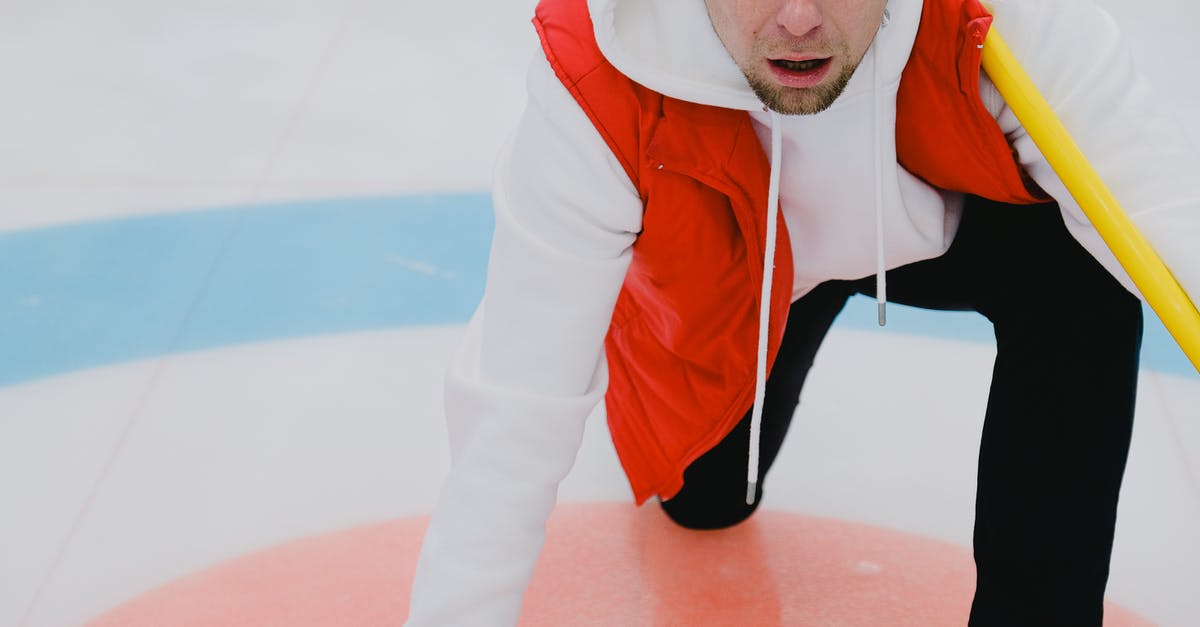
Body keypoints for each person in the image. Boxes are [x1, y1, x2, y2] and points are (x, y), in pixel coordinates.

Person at [405, 0, 1200, 624]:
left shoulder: (1014, 22)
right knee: (707, 504)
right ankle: (793, 309)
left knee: (1091, 264)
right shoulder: (595, 74)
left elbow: (1170, 218)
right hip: (737, 281)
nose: (798, 19)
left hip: (927, 217)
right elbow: (514, 409)